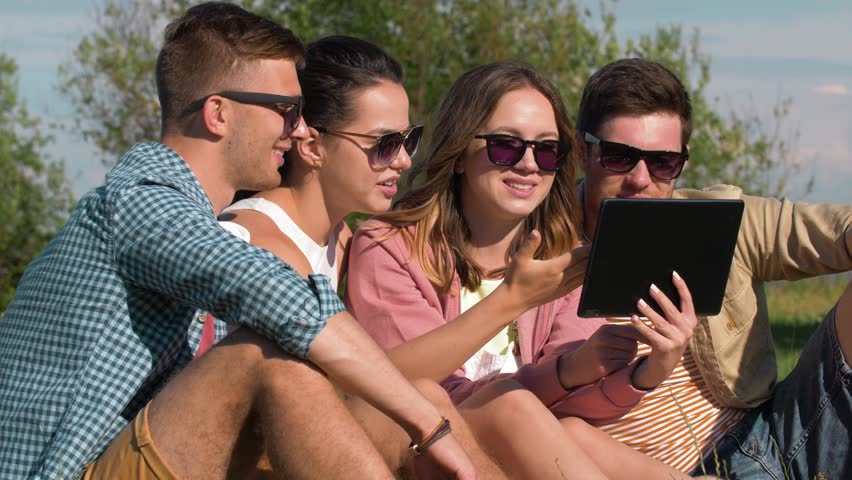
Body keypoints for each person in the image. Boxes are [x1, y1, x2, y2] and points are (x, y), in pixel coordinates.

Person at [0, 4, 478, 479]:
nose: (298, 129)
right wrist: (429, 428)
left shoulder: (192, 218)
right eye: (285, 110)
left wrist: (421, 414)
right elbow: (283, 300)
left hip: (143, 454)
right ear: (218, 113)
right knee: (263, 353)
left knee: (418, 399)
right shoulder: (141, 205)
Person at [346, 60, 707, 480]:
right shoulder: (389, 247)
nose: (529, 165)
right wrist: (514, 304)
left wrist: (644, 371)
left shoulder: (562, 254)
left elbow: (564, 414)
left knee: (572, 430)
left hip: (514, 452)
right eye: (505, 146)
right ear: (460, 152)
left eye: (548, 150)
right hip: (418, 446)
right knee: (509, 400)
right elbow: (397, 384)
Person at [210, 34, 507, 479]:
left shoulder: (343, 240)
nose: (404, 161)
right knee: (426, 399)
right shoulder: (248, 241)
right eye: (383, 143)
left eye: (410, 139)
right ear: (311, 145)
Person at [570, 57, 852, 479]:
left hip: (769, 435)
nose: (640, 179)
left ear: (682, 162)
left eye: (662, 162)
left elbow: (829, 230)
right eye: (618, 157)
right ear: (582, 152)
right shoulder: (542, 256)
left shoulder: (718, 219)